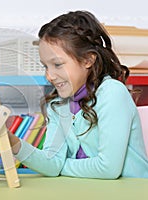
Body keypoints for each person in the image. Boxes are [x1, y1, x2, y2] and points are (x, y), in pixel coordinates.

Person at [8, 10, 148, 179]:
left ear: (88, 60)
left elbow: (108, 168)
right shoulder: (58, 105)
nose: (49, 76)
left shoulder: (112, 93)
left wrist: (60, 166)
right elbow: (51, 162)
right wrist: (13, 143)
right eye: (45, 66)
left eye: (57, 64)